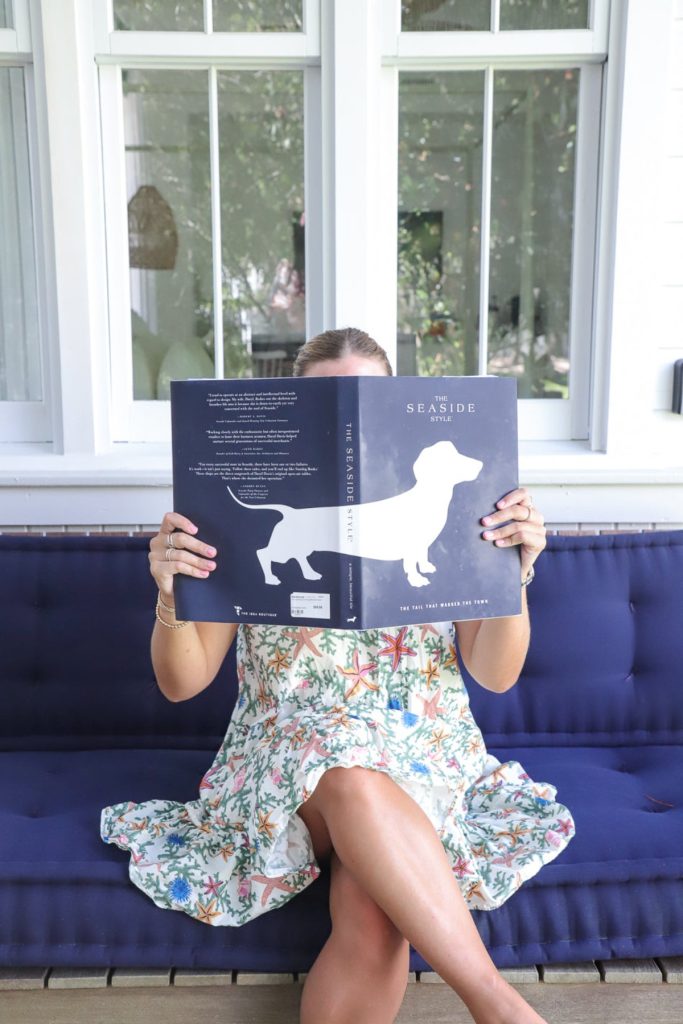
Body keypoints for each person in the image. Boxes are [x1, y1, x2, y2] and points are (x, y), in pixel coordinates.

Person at [101, 327, 575, 1024]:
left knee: (374, 911)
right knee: (348, 770)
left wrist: (516, 571)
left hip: (424, 758)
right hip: (288, 762)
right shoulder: (228, 529)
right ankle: (498, 1005)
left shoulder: (459, 524)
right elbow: (182, 683)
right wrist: (169, 592)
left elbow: (495, 676)